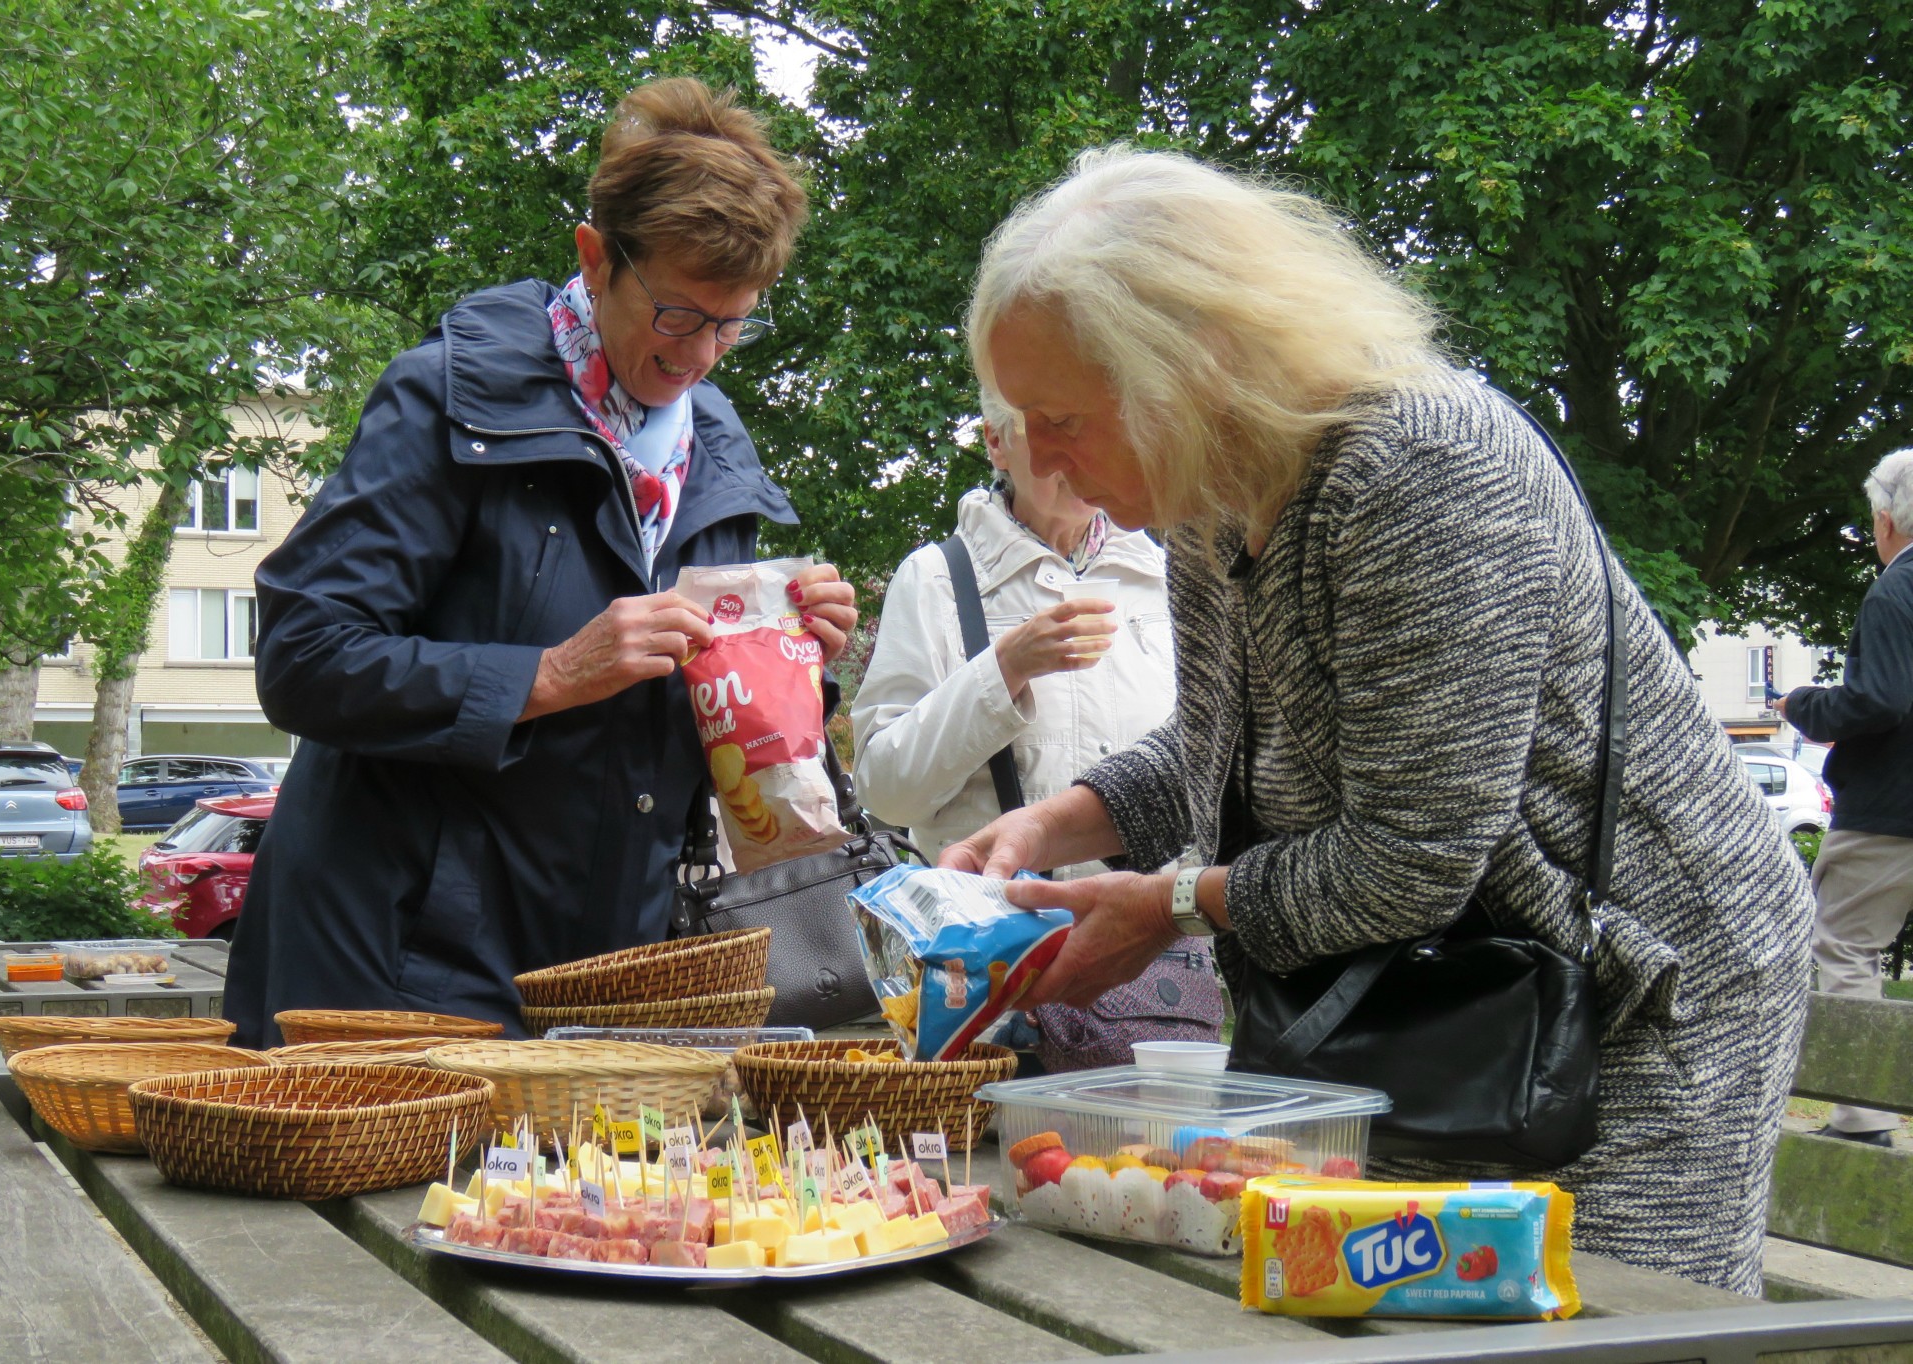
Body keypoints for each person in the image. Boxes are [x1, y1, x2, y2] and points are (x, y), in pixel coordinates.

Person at [940, 146, 1814, 1293]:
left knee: (1592, 1315)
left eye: (1061, 417)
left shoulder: (1419, 470)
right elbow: (1226, 746)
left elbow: (1408, 861)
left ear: (1191, 362)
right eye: (1019, 419)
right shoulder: (1210, 493)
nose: (1039, 461)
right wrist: (1054, 824)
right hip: (1454, 986)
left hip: (1640, 990)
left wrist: (1164, 904)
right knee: (1395, 1303)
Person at [222, 79, 858, 1048]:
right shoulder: (444, 400)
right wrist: (549, 674)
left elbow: (697, 743)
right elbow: (303, 656)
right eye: (679, 314)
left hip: (603, 985)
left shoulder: (719, 452)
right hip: (392, 969)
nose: (701, 357)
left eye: (735, 323)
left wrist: (793, 661)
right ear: (595, 256)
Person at [852, 398, 1219, 1068]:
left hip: (1150, 976)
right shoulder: (937, 580)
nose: (1073, 462)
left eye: (1091, 428)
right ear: (996, 442)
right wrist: (1005, 667)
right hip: (990, 989)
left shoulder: (1174, 575)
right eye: (1050, 429)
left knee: (1146, 1164)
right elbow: (886, 789)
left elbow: (1203, 767)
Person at [1776, 449, 1913, 1147]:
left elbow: (1878, 701)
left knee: (1844, 947)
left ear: (1886, 521)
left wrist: (1803, 704)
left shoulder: (1898, 589)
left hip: (1892, 809)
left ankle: (1862, 1122)